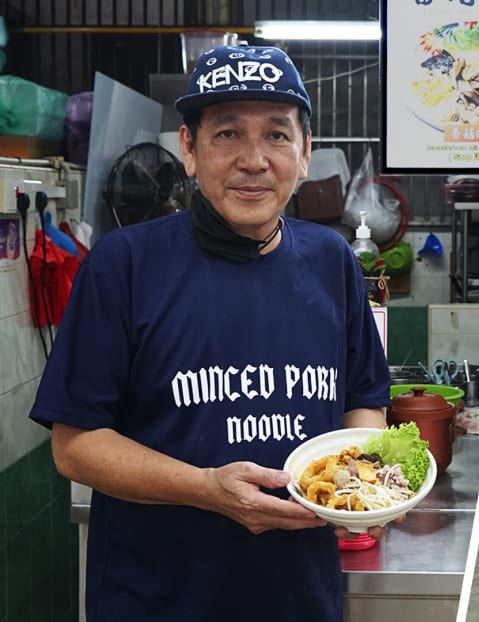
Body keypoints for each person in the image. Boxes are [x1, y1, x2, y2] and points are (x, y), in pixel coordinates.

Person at [29, 44, 392, 621]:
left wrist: (363, 486)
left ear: (305, 155)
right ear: (189, 149)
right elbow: (75, 448)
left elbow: (365, 404)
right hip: (157, 601)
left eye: (277, 134)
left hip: (300, 598)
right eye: (227, 134)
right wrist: (205, 488)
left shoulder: (331, 259)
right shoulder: (123, 265)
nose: (254, 159)